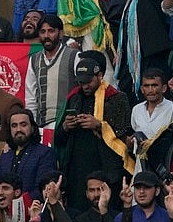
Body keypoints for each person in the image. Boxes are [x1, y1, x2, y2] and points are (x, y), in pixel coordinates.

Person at [56, 55, 133, 212]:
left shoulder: (117, 98)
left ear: (99, 76)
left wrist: (99, 125)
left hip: (105, 167)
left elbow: (124, 131)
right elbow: (58, 139)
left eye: (89, 81)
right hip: (77, 169)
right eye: (81, 82)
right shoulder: (74, 98)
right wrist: (65, 126)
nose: (85, 86)